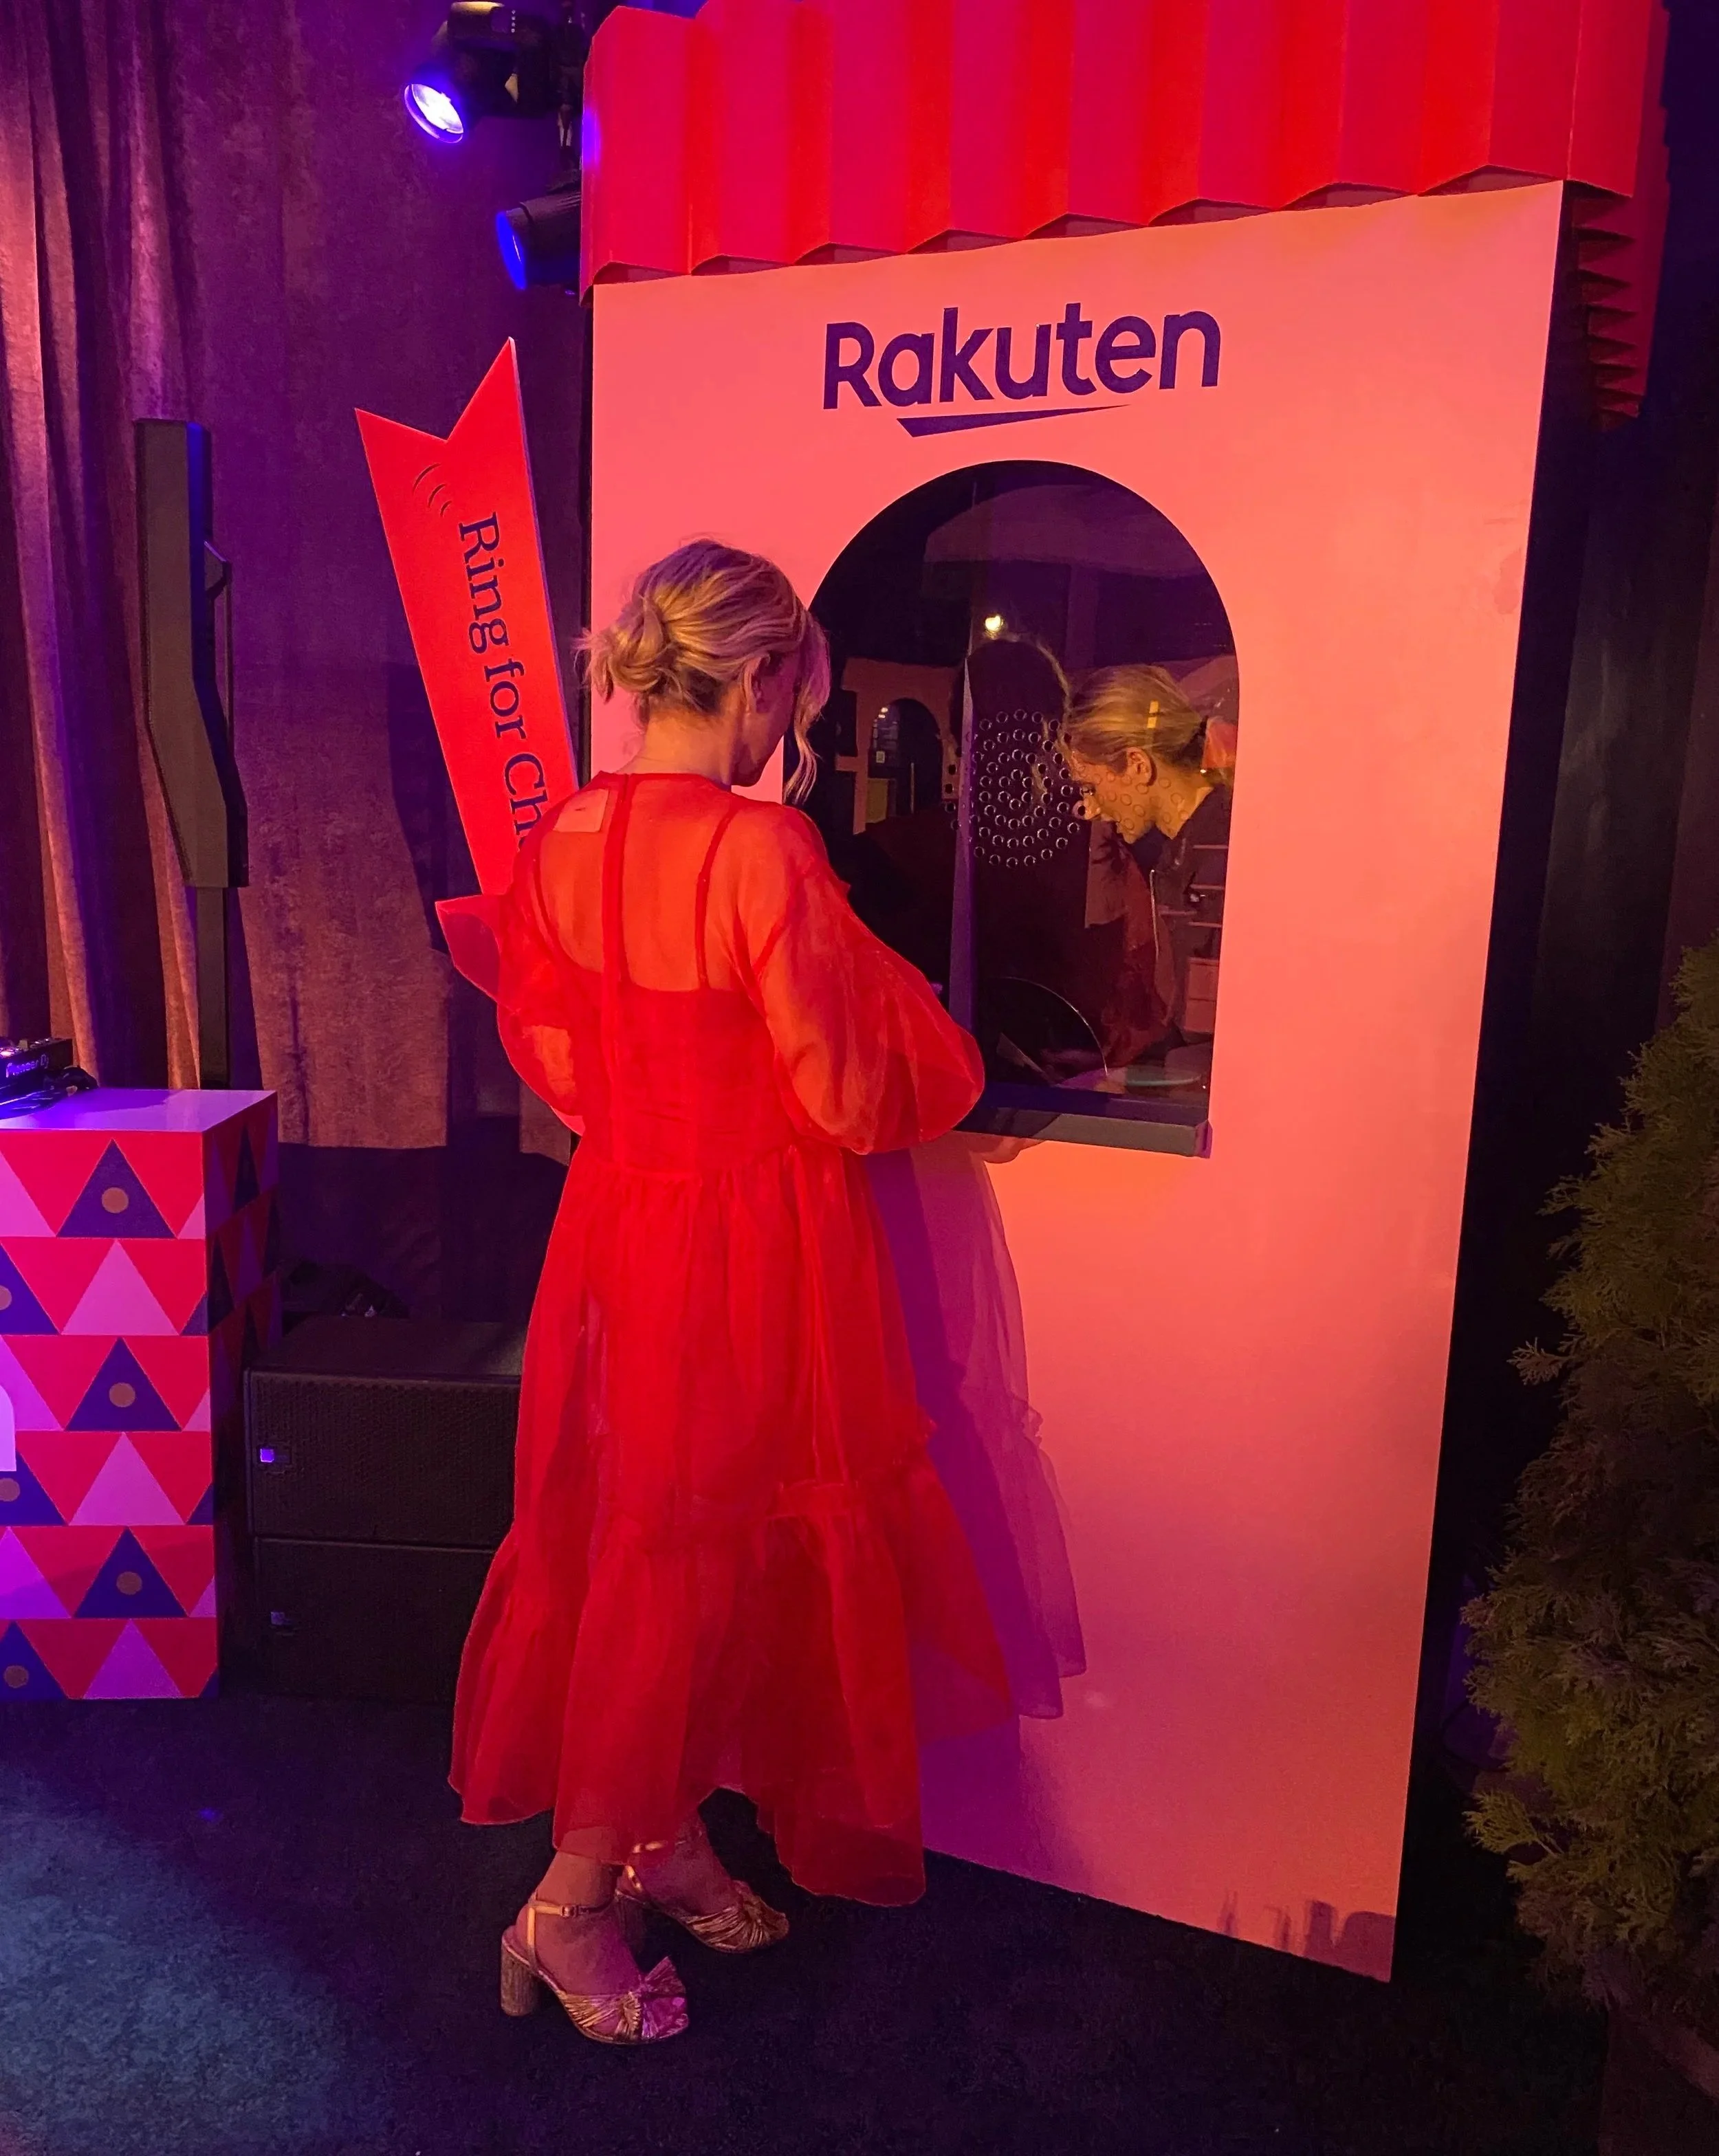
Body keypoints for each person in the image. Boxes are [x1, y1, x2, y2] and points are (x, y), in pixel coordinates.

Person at [439, 540, 1010, 2048]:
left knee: (643, 1537)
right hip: (749, 1248)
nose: (786, 735)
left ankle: (666, 1833)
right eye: (792, 700)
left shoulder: (559, 830)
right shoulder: (759, 850)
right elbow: (841, 1094)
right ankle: (566, 1898)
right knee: (688, 1557)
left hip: (616, 1233)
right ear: (762, 681)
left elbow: (553, 1058)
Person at [1057, 664, 1234, 1074]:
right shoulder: (1186, 855)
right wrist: (1114, 1068)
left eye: (1092, 787)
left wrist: (1134, 1080)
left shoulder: (1217, 863)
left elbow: (1212, 1041)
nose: (1090, 809)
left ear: (1137, 764)